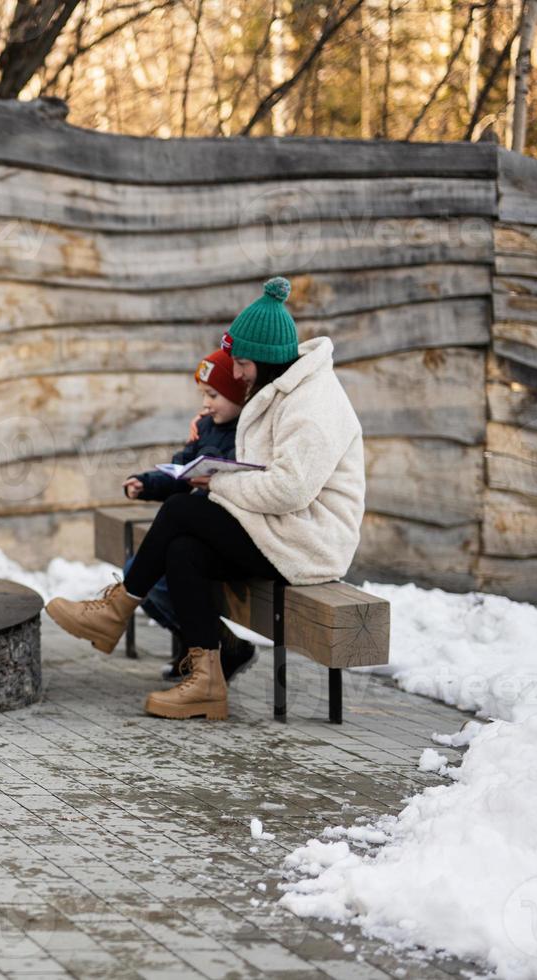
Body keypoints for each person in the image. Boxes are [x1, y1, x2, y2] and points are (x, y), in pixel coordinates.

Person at [47, 277, 365, 721]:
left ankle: (117, 609)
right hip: (277, 530)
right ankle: (207, 682)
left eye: (242, 364)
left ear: (267, 361)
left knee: (182, 509)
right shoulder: (278, 389)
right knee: (182, 550)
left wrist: (214, 483)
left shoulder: (313, 407)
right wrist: (209, 437)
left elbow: (289, 489)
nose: (235, 374)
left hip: (307, 544)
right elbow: (256, 464)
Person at [121, 348, 255, 682]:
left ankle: (221, 647)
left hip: (226, 537)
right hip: (197, 530)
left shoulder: (248, 434)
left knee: (155, 574)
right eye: (204, 396)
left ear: (239, 394)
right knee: (137, 573)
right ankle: (201, 646)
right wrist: (147, 483)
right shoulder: (207, 427)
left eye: (214, 395)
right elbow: (180, 470)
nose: (206, 404)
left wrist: (216, 480)